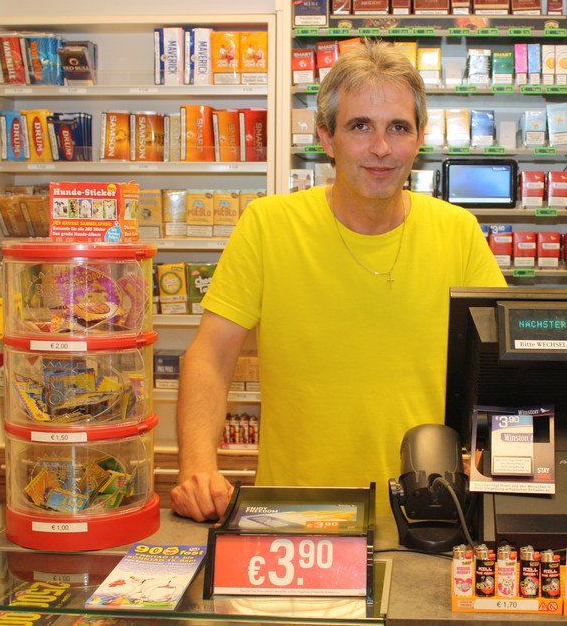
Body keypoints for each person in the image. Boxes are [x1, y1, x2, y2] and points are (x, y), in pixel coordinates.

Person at [170, 40, 507, 539]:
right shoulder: (269, 225)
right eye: (360, 126)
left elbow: (500, 371)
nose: (381, 148)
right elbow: (210, 355)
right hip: (295, 520)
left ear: (419, 139)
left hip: (428, 519)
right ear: (326, 137)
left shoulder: (458, 232)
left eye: (398, 127)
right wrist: (198, 466)